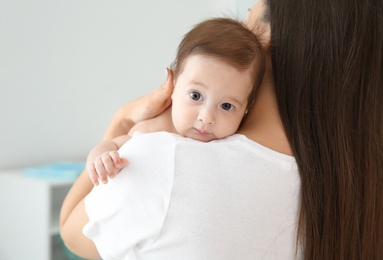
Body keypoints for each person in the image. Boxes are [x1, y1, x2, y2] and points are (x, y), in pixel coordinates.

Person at [60, 0, 383, 259]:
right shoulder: (357, 192)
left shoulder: (163, 160)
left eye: (248, 15)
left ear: (267, 33)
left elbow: (71, 230)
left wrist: (123, 121)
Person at [86, 18, 266, 186]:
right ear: (173, 85)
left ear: (247, 108)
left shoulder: (239, 142)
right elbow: (112, 145)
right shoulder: (152, 130)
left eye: (226, 106)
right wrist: (102, 158)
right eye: (196, 96)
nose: (206, 117)